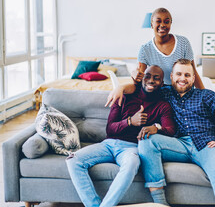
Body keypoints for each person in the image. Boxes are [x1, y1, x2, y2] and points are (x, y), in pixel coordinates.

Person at [109, 59, 215, 207]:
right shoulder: (164, 93)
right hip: (177, 144)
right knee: (146, 140)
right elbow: (141, 87)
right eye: (178, 74)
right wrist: (120, 87)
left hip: (206, 144)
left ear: (193, 78)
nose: (182, 78)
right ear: (171, 76)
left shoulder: (206, 95)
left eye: (187, 75)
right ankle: (161, 203)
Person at [66, 65, 176, 207]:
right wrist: (130, 121)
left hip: (132, 148)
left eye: (157, 78)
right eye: (148, 76)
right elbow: (110, 129)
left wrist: (156, 128)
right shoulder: (124, 96)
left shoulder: (163, 105)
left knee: (131, 164)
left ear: (162, 83)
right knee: (73, 160)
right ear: (142, 78)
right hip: (108, 144)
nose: (151, 80)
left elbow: (170, 130)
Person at [105, 8, 204, 108]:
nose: (162, 25)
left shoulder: (183, 43)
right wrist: (130, 80)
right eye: (158, 21)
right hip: (161, 95)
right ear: (151, 24)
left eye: (166, 22)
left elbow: (193, 73)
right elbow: (140, 83)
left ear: (170, 24)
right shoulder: (145, 50)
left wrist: (205, 95)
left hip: (183, 92)